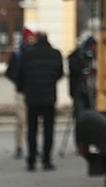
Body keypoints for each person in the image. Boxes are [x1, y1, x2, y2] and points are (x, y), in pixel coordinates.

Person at [17, 31, 64, 171]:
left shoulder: (28, 54)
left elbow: (20, 74)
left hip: (32, 97)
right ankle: (47, 160)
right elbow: (60, 73)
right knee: (48, 130)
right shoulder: (55, 54)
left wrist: (24, 88)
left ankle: (31, 160)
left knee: (32, 130)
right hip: (49, 97)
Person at [5, 25, 38, 159]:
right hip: (21, 92)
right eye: (29, 38)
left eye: (33, 38)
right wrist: (18, 81)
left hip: (34, 91)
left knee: (33, 122)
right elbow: (9, 72)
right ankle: (19, 146)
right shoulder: (18, 55)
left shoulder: (36, 54)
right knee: (20, 121)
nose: (31, 40)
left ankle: (33, 147)